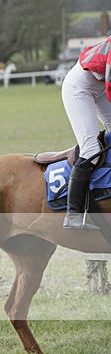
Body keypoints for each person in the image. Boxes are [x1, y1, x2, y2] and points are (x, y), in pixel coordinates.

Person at [61, 35, 111, 230]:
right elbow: (110, 87)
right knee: (90, 149)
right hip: (79, 88)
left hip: (98, 86)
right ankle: (73, 215)